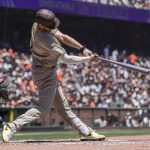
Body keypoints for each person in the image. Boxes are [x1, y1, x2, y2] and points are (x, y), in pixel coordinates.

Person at [2, 9, 105, 142]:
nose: (53, 28)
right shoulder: (47, 41)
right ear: (42, 25)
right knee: (43, 109)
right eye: (50, 26)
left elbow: (62, 36)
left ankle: (84, 131)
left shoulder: (36, 25)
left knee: (64, 109)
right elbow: (67, 59)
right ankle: (11, 126)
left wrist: (83, 49)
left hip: (42, 69)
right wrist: (88, 59)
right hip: (46, 73)